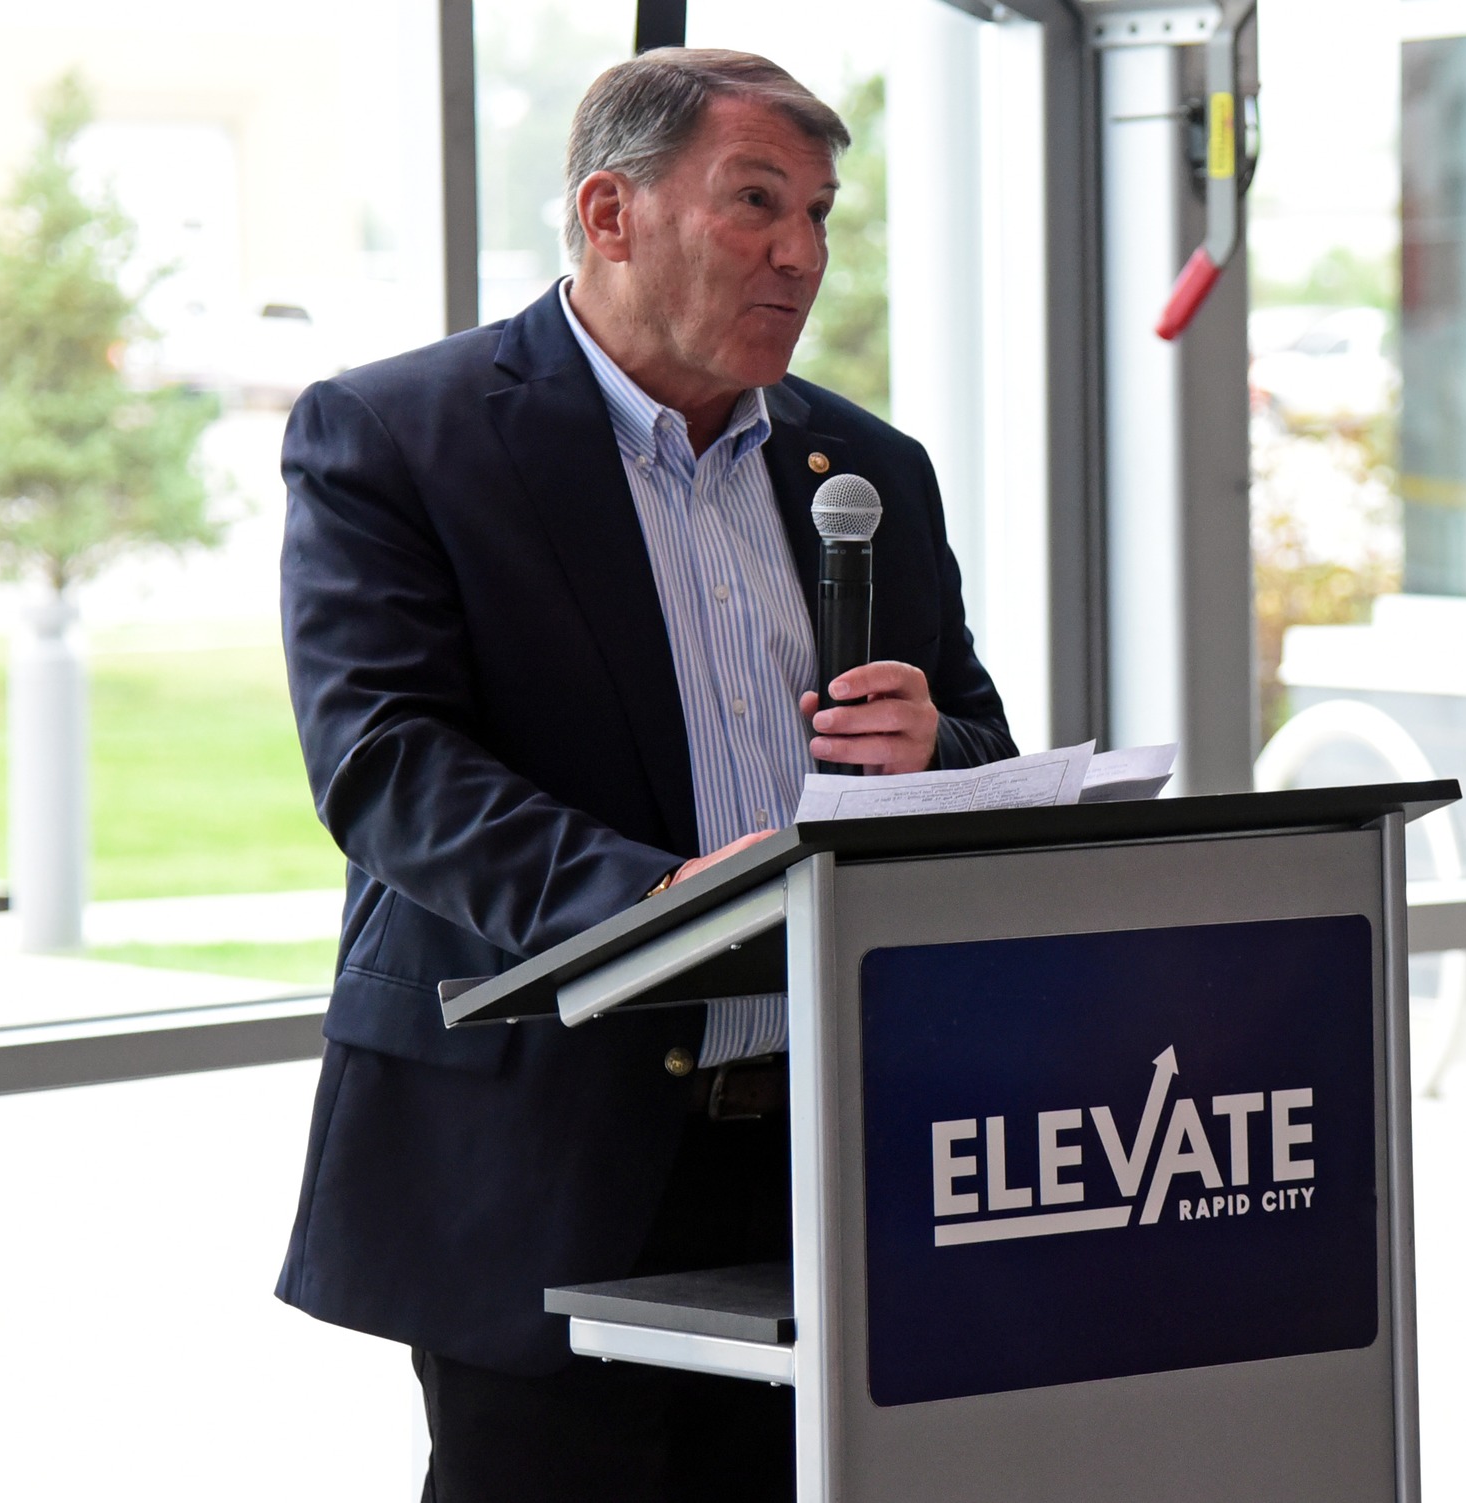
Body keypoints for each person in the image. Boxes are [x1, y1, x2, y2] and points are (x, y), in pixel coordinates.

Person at [274, 48, 1015, 1502]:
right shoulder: (400, 439)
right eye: (756, 204)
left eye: (818, 214)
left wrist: (939, 745)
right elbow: (387, 763)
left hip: (832, 1146)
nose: (800, 254)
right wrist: (655, 906)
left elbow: (979, 743)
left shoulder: (866, 469)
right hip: (551, 1144)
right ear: (610, 214)